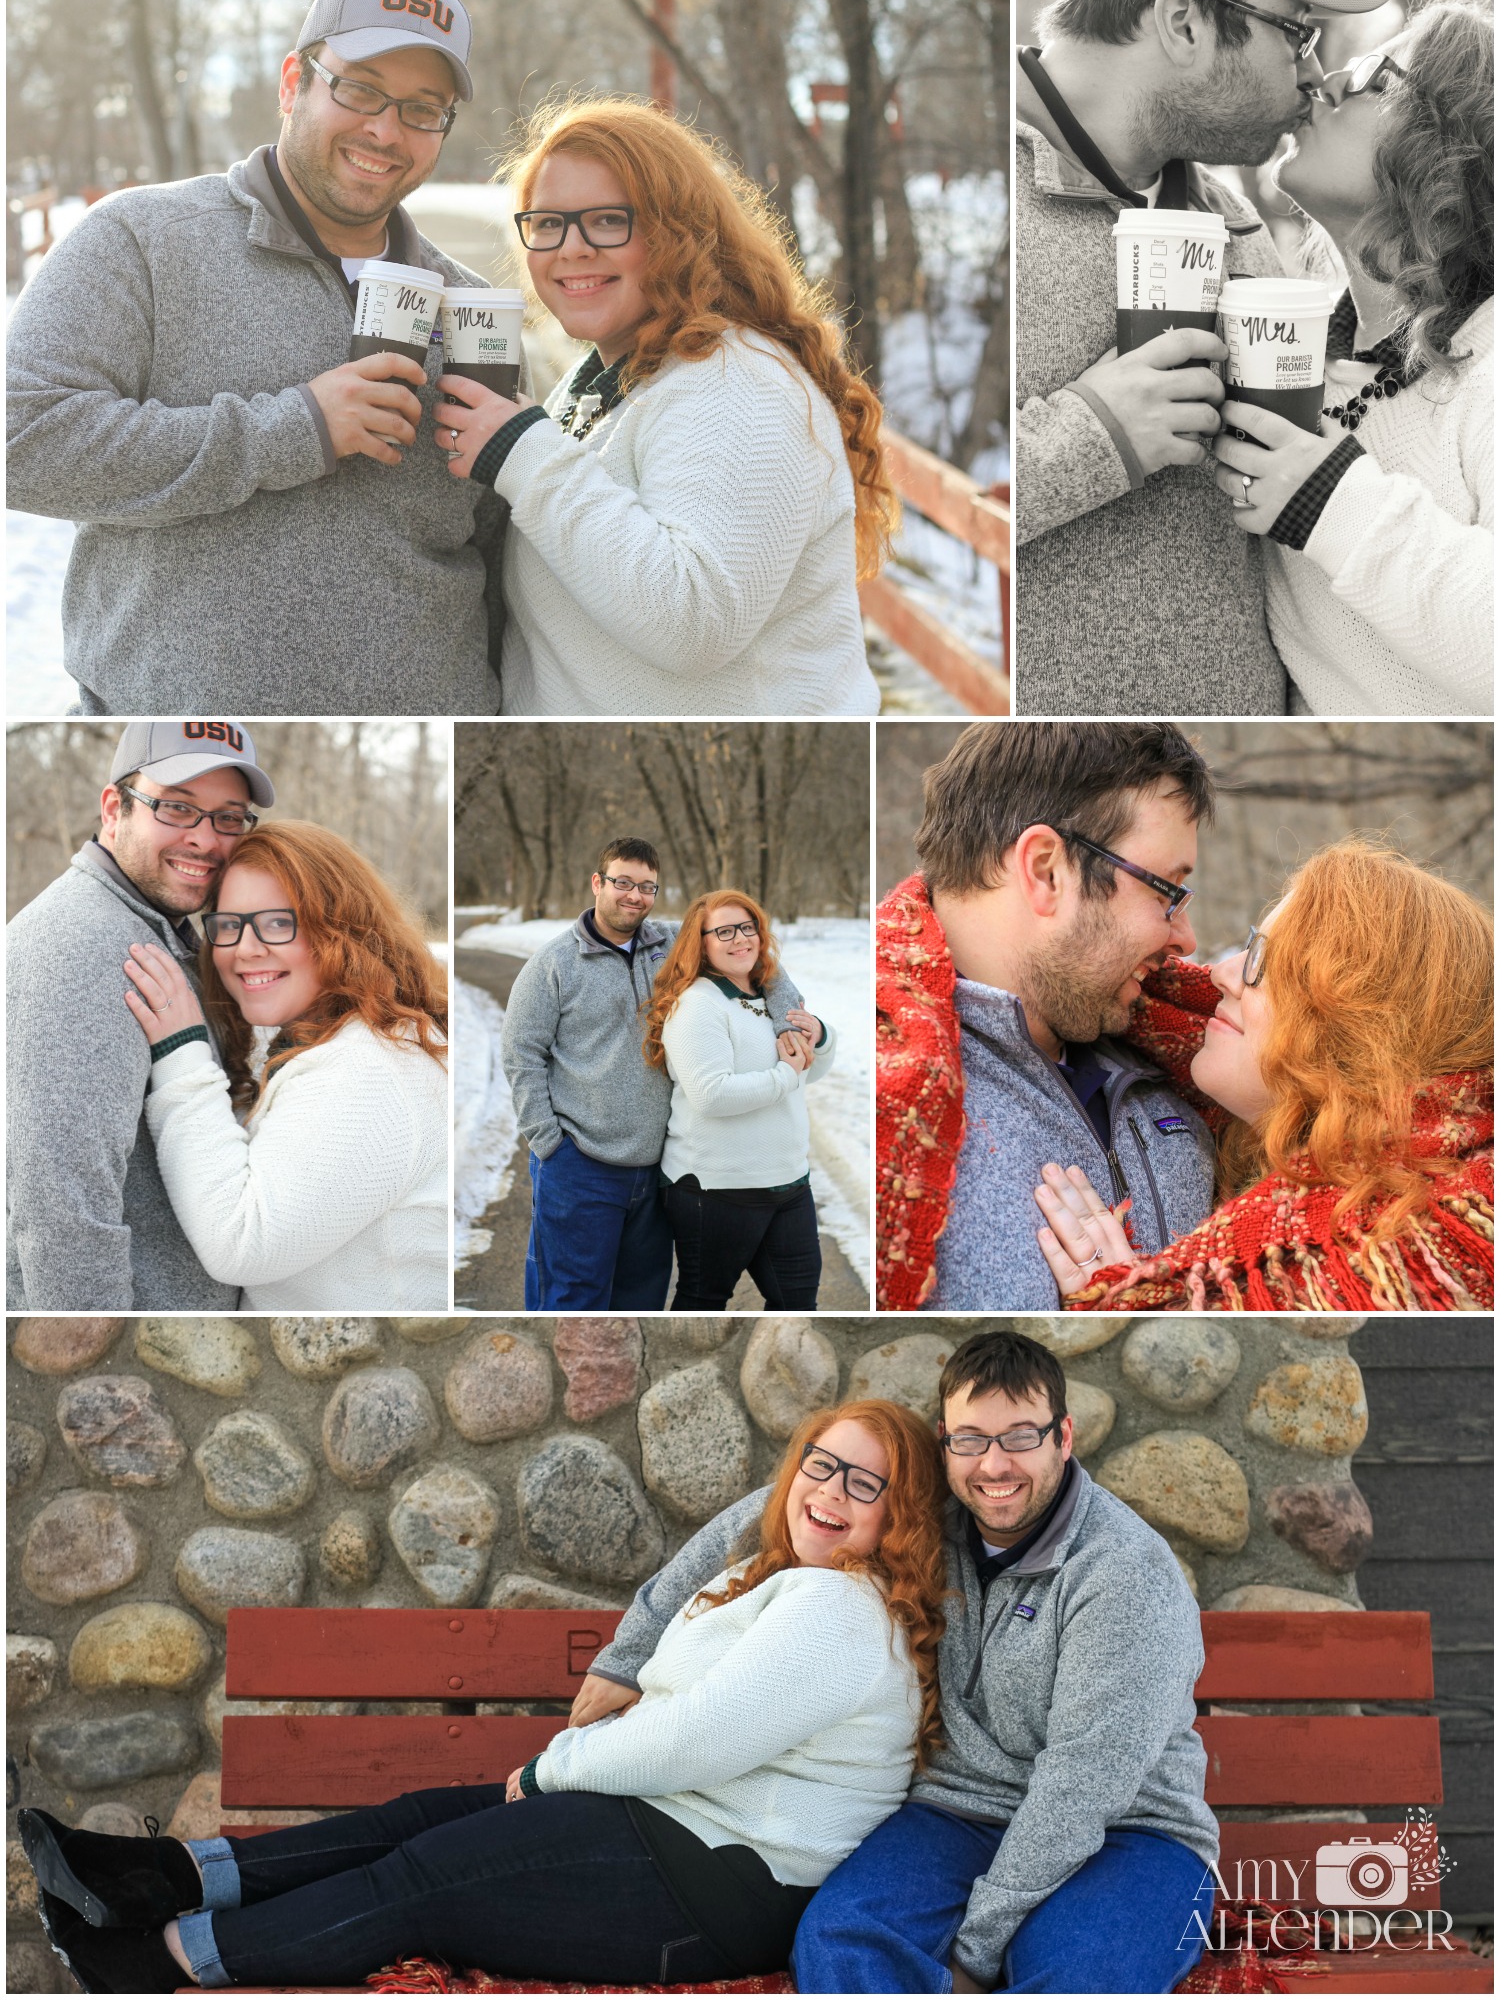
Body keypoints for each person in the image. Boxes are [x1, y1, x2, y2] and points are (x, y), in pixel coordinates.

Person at [20, 1398, 948, 1994]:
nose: (832, 1491)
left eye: (867, 1483)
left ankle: (161, 1961)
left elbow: (698, 1735)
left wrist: (551, 1772)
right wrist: (562, 1775)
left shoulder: (840, 1607)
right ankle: (155, 1878)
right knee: (415, 1818)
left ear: (898, 1515)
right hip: (668, 1824)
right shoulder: (773, 1571)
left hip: (712, 1881)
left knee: (422, 1881)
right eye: (822, 1464)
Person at [569, 1328, 1219, 1994]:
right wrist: (630, 1653)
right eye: (970, 1439)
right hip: (953, 1816)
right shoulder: (936, 1506)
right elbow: (764, 1511)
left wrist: (975, 1950)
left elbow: (1083, 1786)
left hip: (1130, 1833)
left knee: (1076, 1974)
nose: (994, 1465)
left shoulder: (1121, 1571)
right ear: (946, 1441)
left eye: (1020, 1436)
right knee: (840, 1942)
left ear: (1063, 1435)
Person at [6, 0, 520, 716]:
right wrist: (294, 429)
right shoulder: (142, 240)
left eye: (422, 109)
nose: (385, 130)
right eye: (360, 89)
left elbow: (497, 554)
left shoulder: (471, 307)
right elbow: (20, 441)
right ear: (293, 83)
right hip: (184, 742)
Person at [1013, 0, 1395, 717]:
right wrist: (1093, 435)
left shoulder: (1238, 224)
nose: (1314, 74)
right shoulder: (974, 204)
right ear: (1184, 22)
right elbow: (879, 508)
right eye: (1296, 33)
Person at [430, 95, 889, 718]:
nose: (572, 248)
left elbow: (694, 621)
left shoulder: (736, 381)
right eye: (546, 223)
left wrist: (523, 452)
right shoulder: (601, 381)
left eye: (608, 221)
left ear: (679, 232)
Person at [1035, 839, 1494, 1310]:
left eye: (1266, 964)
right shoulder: (1253, 1156)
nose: (1222, 974)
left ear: (1360, 1033)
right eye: (1251, 946)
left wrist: (1131, 1308)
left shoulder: (1413, 1253)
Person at [1207, 0, 1493, 716]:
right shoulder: (1297, 360)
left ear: (1450, 142)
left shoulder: (1487, 363)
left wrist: (1333, 502)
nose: (1324, 82)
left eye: (1375, 73)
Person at [876, 721, 1218, 1312]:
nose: (1184, 940)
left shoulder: (1190, 1069)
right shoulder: (886, 1115)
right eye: (1167, 892)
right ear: (1046, 870)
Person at [117, 820, 448, 1311]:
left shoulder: (376, 1068)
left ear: (339, 930)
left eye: (277, 922)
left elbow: (240, 1244)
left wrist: (181, 1051)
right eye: (228, 925)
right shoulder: (322, 1039)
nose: (245, 948)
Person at [6, 721, 273, 1310]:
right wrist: (95, 1358)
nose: (207, 841)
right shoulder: (82, 946)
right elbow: (59, 1205)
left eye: (229, 816)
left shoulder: (155, 928)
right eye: (177, 808)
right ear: (114, 809)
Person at [501, 837, 811, 1310]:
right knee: (573, 1296)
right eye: (622, 882)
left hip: (656, 1164)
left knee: (640, 1300)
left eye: (647, 886)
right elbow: (521, 1055)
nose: (634, 896)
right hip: (581, 1163)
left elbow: (760, 962)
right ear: (597, 883)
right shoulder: (553, 965)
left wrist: (790, 1023)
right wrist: (549, 1143)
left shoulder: (672, 944)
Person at [643, 890, 834, 1310]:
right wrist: (785, 1074)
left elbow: (808, 1072)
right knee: (703, 1301)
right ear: (702, 942)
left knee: (797, 1305)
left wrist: (819, 1036)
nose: (740, 939)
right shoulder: (696, 1005)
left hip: (788, 1183)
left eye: (747, 928)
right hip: (716, 1188)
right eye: (724, 931)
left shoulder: (773, 996)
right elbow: (712, 1095)